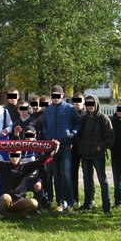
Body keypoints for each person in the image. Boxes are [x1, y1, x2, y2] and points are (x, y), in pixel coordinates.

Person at [0, 140, 57, 219]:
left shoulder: (26, 167)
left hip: (20, 202)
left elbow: (40, 161)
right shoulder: (2, 166)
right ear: (9, 155)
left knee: (34, 203)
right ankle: (3, 213)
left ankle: (23, 213)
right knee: (5, 197)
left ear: (20, 156)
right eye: (12, 155)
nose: (14, 158)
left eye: (17, 155)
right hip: (6, 201)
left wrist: (52, 148)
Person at [42, 85, 81, 213]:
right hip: (53, 148)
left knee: (66, 175)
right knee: (57, 176)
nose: (56, 98)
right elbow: (44, 125)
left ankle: (70, 202)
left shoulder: (69, 109)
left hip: (65, 147)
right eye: (53, 96)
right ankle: (60, 202)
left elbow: (78, 123)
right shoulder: (47, 110)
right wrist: (47, 135)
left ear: (62, 95)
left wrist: (72, 134)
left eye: (58, 96)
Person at [77, 95, 114, 215]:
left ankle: (106, 207)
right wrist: (80, 147)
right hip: (85, 154)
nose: (90, 106)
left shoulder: (103, 118)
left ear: (96, 104)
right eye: (87, 104)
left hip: (98, 155)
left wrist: (100, 147)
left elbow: (110, 137)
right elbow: (79, 134)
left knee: (102, 180)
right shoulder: (84, 118)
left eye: (92, 103)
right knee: (87, 180)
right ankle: (88, 203)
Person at [71, 92, 87, 208]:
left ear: (83, 101)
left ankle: (89, 200)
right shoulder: (70, 114)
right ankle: (75, 198)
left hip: (86, 147)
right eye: (75, 101)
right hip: (74, 147)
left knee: (87, 174)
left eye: (79, 101)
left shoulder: (87, 114)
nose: (77, 104)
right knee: (73, 173)